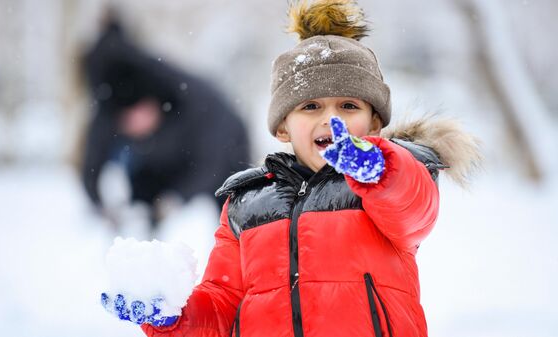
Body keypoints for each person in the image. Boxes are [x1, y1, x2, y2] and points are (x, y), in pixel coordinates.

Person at [101, 1, 481, 336]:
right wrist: (170, 316)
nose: (331, 119)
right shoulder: (246, 205)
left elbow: (412, 205)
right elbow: (221, 306)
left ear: (375, 123)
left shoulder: (386, 188)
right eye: (311, 107)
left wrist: (378, 169)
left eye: (349, 106)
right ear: (283, 127)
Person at [80, 16, 250, 224]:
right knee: (143, 195)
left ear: (152, 104)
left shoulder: (197, 102)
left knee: (230, 214)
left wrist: (177, 198)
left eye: (135, 119)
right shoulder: (113, 104)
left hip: (224, 153)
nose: (132, 130)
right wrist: (98, 203)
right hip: (164, 159)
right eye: (125, 124)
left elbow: (212, 162)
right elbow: (92, 159)